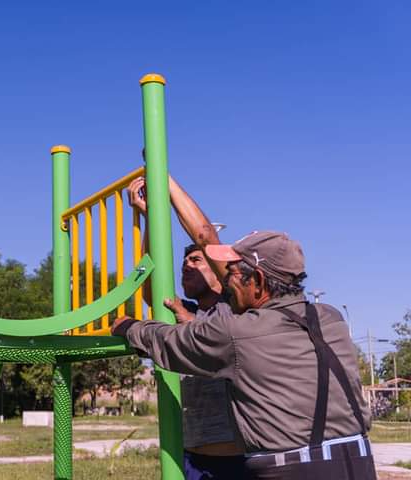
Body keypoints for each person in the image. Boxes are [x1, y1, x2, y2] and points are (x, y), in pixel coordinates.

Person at [113, 175, 374, 479]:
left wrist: (129, 327)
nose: (228, 277)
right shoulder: (329, 318)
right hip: (354, 460)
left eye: (231, 272)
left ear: (258, 281)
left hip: (278, 465)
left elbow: (205, 241)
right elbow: (165, 296)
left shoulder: (237, 326)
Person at [127, 177, 245, 479]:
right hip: (193, 456)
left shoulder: (233, 307)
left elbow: (208, 239)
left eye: (196, 260)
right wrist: (152, 215)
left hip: (240, 460)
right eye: (184, 261)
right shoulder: (184, 310)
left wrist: (161, 176)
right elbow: (151, 290)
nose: (186, 265)